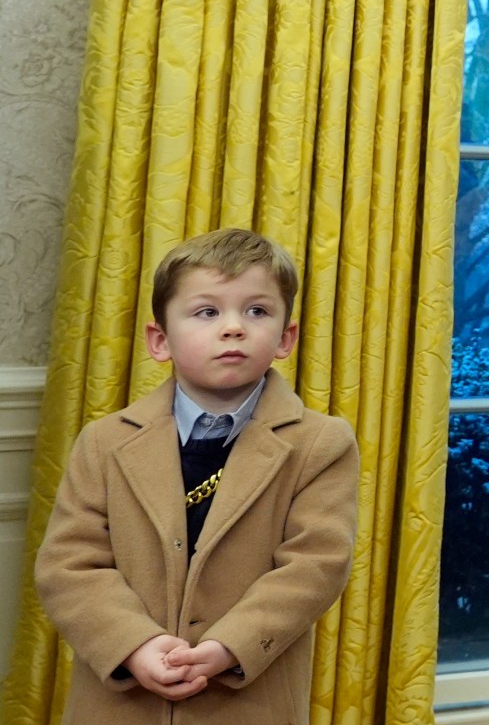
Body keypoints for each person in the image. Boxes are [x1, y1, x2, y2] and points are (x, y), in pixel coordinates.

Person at [36, 230, 358, 724]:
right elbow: (69, 564)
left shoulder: (321, 443)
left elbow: (315, 565)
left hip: (246, 700)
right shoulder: (103, 442)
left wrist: (232, 645)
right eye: (207, 312)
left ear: (285, 338)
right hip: (120, 703)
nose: (234, 328)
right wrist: (134, 645)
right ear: (159, 340)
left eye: (257, 311)